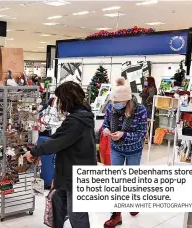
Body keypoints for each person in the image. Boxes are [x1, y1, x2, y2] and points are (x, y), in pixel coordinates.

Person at [24, 81, 96, 228]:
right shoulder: (83, 116)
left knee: (77, 214)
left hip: (76, 174)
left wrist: (34, 151)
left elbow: (56, 141)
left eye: (60, 100)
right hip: (70, 170)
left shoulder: (76, 121)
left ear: (67, 100)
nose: (59, 104)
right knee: (58, 202)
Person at [102, 77, 147, 228]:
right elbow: (105, 123)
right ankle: (116, 215)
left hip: (134, 150)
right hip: (116, 149)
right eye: (114, 102)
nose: (116, 106)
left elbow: (142, 134)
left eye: (119, 103)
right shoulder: (111, 107)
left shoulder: (140, 110)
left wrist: (124, 134)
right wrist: (106, 130)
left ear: (127, 101)